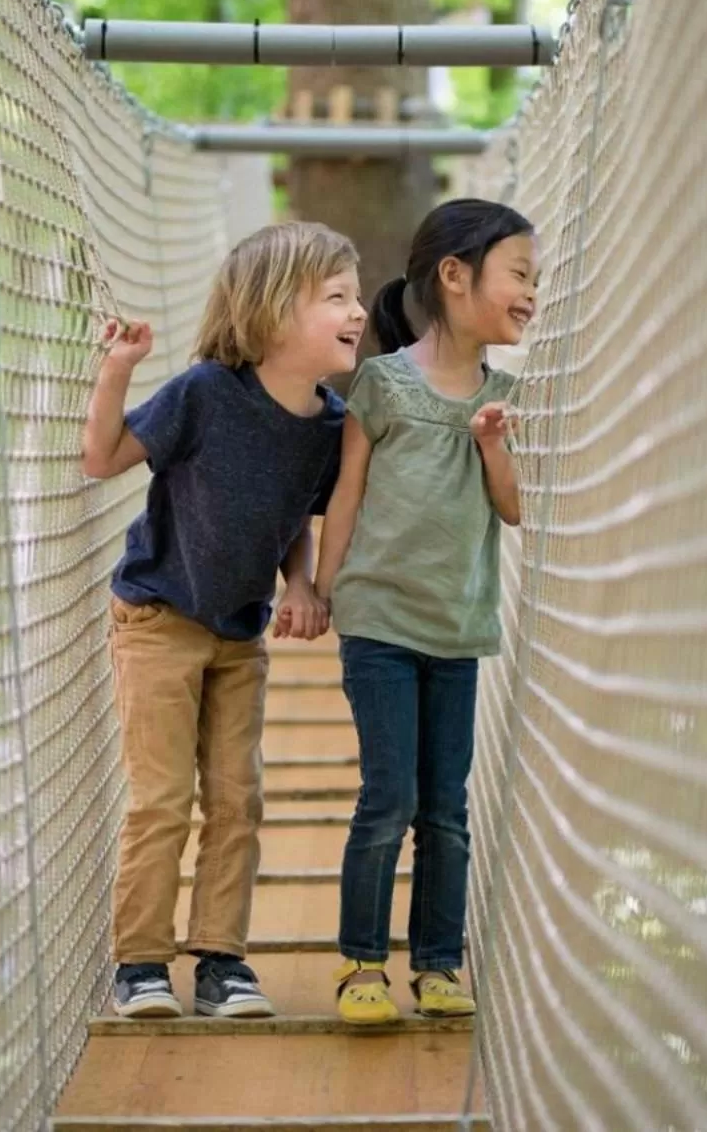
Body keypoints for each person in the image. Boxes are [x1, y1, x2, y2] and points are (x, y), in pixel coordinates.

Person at [82, 221, 366, 1018]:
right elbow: (101, 459)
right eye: (336, 297)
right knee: (164, 798)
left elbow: (294, 525)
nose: (358, 312)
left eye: (356, 295)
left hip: (240, 635)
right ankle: (139, 964)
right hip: (158, 617)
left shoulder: (329, 426)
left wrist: (305, 588)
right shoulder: (205, 393)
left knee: (238, 798)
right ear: (275, 314)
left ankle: (220, 961)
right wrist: (118, 370)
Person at [313, 199, 536, 1024]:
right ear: (454, 274)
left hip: (459, 626)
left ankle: (439, 965)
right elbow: (346, 493)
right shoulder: (382, 382)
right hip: (378, 621)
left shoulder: (507, 396)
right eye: (519, 274)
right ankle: (362, 963)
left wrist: (490, 442)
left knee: (447, 807)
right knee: (390, 797)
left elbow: (512, 509)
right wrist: (321, 588)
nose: (531, 294)